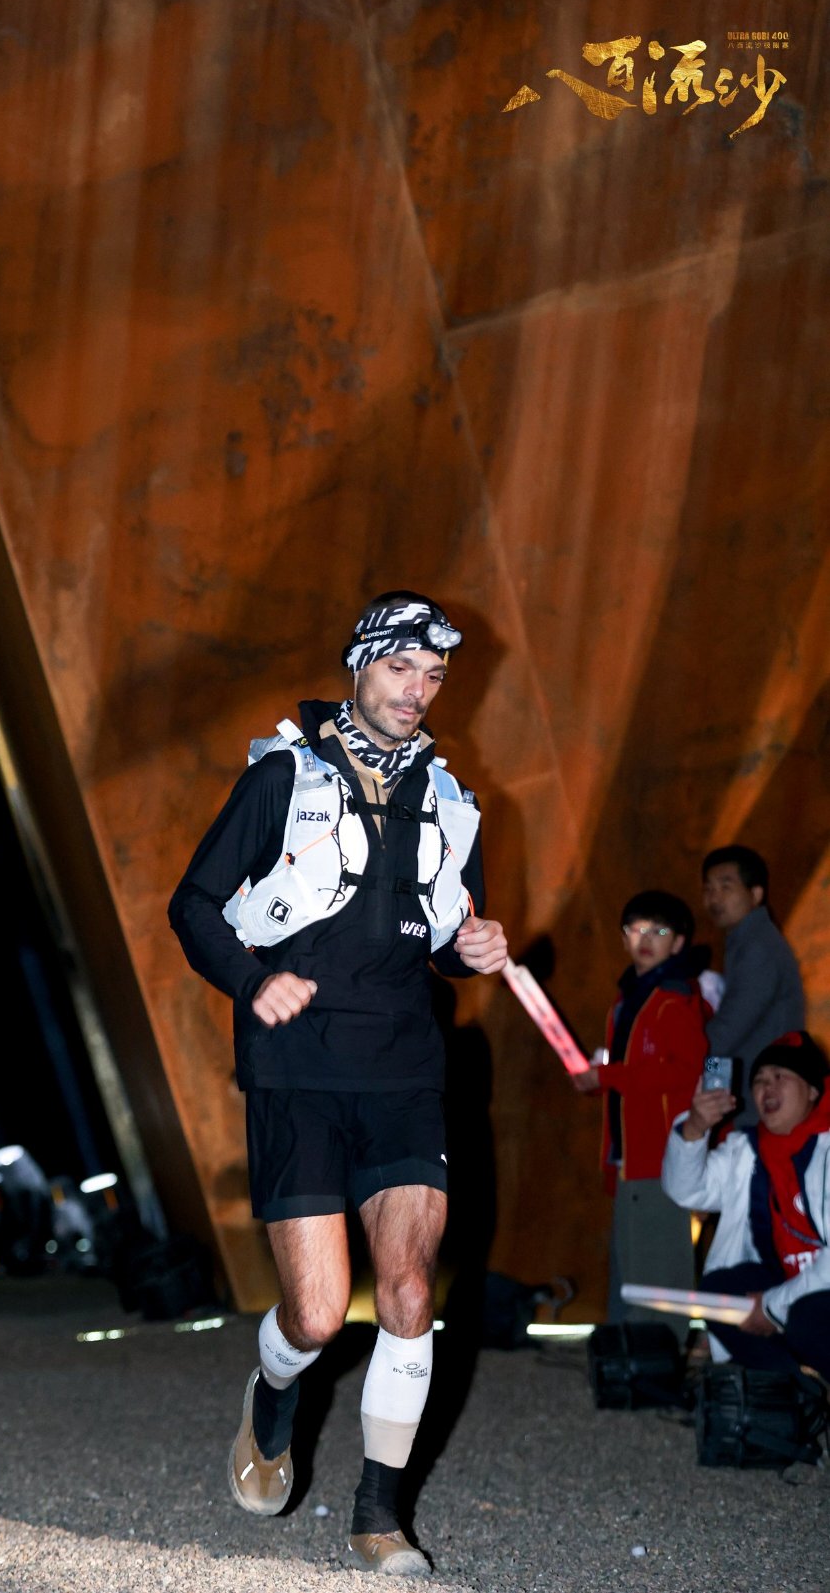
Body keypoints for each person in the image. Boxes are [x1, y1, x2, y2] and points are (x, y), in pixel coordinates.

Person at [168, 591, 507, 1577]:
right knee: (316, 1314)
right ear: (360, 665)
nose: (418, 690)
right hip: (296, 1068)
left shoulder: (449, 798)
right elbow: (193, 905)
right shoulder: (281, 776)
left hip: (403, 1070)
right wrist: (251, 981)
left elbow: (441, 937)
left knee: (407, 1288)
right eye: (401, 668)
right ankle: (271, 1396)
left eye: (433, 675)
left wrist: (471, 946)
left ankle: (378, 1514)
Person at [571, 890, 708, 1339]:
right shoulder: (629, 997)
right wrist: (601, 1078)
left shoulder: (675, 998)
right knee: (631, 1264)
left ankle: (656, 1358)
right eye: (636, 929)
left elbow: (686, 1073)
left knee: (658, 1267)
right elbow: (634, 1071)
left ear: (679, 941)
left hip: (660, 1156)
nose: (645, 939)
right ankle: (628, 1356)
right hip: (629, 1154)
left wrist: (608, 1075)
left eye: (659, 931)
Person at [661, 1031, 830, 1380]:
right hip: (788, 1286)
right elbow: (687, 1191)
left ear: (813, 1090)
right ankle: (796, 1390)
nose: (767, 1087)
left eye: (780, 1077)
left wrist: (770, 1307)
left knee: (807, 1317)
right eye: (759, 1080)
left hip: (817, 1296)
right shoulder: (748, 1150)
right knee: (719, 1294)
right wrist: (695, 1128)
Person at [701, 845, 805, 1125]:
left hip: (759, 1104)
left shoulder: (758, 948)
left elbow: (728, 1031)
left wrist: (679, 1056)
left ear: (755, 894)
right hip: (753, 1098)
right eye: (708, 889)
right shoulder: (745, 942)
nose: (714, 898)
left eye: (726, 887)